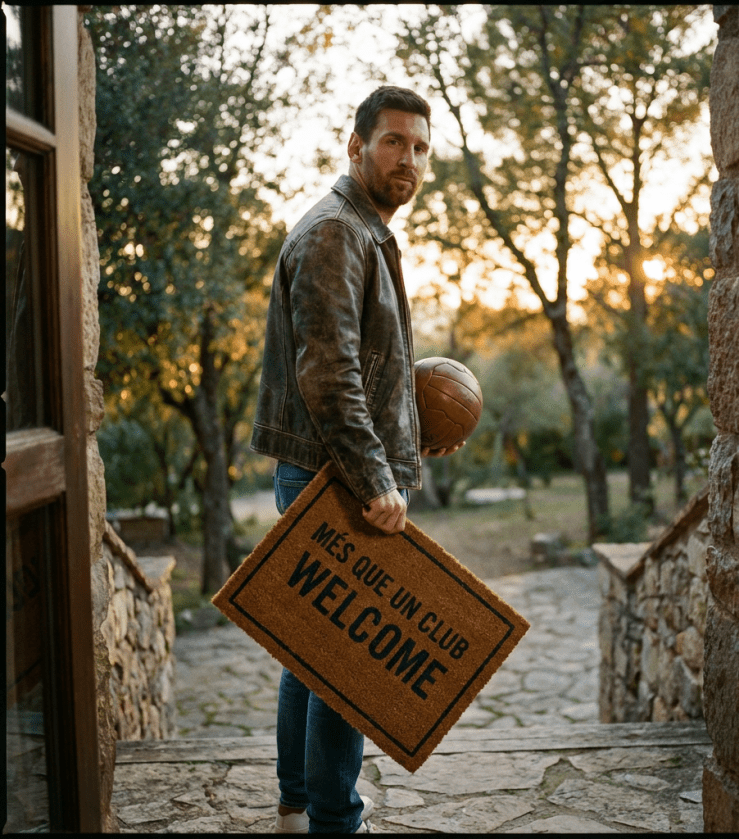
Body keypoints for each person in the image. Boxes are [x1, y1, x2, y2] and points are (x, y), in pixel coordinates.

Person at [250, 85, 462, 834]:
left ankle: (295, 801)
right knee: (346, 658)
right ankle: (335, 819)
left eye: (419, 148)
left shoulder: (363, 229)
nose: (408, 159)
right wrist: (376, 477)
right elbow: (327, 371)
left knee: (310, 647)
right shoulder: (338, 232)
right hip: (328, 474)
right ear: (356, 144)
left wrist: (407, 432)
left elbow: (366, 368)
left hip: (325, 464)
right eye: (393, 142)